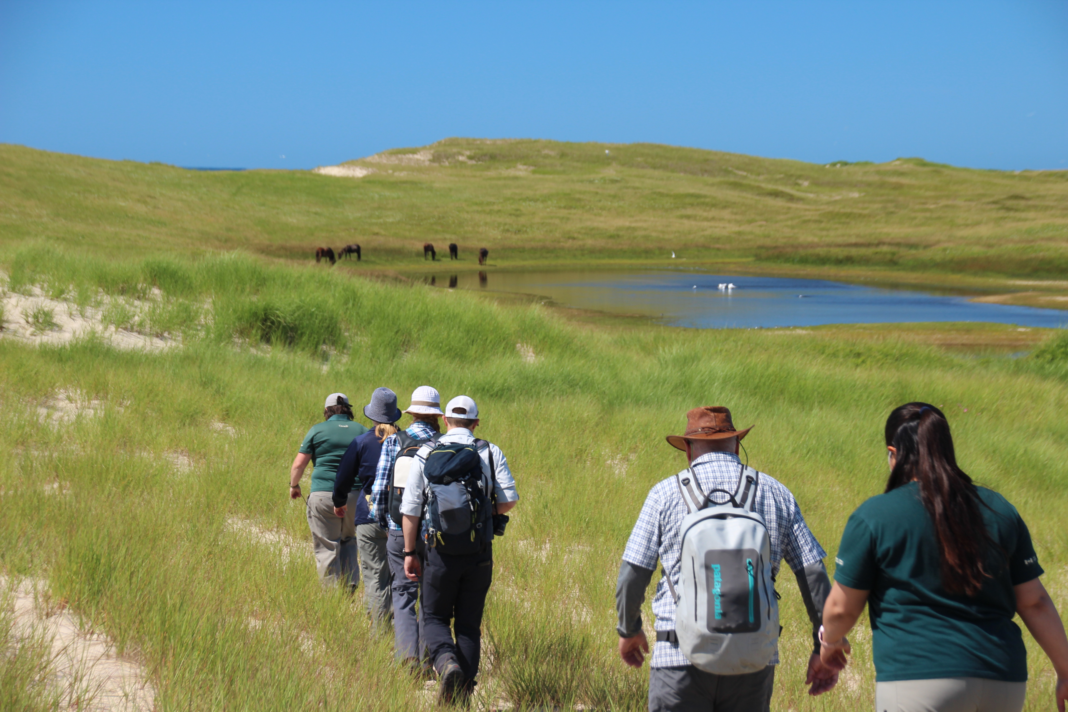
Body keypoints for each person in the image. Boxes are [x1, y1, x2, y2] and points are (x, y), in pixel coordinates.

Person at [820, 403, 1068, 712]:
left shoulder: (875, 516)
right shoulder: (1000, 510)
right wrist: (1065, 670)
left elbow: (841, 609)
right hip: (1003, 681)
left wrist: (830, 642)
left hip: (918, 680)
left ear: (893, 452)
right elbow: (1035, 602)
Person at [616, 406, 841, 712]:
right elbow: (813, 575)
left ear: (688, 451)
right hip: (753, 660)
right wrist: (823, 646)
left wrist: (629, 631)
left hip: (678, 655)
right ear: (736, 445)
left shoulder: (664, 494)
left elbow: (632, 573)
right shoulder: (777, 494)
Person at [401, 395, 519, 704]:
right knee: (468, 624)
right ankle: (463, 695)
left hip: (437, 552)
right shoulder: (489, 451)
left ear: (445, 420)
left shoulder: (427, 452)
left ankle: (446, 664)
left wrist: (409, 553)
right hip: (478, 551)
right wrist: (483, 513)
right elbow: (509, 501)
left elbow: (411, 509)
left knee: (434, 618)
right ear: (476, 423)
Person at [370, 386, 444, 668]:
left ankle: (408, 657)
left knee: (402, 592)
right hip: (436, 532)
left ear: (412, 413)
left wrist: (385, 524)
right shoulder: (443, 443)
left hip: (400, 529)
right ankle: (428, 660)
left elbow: (380, 489)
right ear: (437, 416)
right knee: (430, 595)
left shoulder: (394, 441)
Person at [333, 387, 402, 626]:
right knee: (398, 579)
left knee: (374, 577)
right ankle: (400, 637)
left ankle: (377, 636)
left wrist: (339, 502)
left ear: (372, 415)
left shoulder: (361, 441)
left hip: (368, 514)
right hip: (403, 520)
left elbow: (343, 477)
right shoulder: (408, 442)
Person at [289, 393, 368, 587]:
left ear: (327, 411)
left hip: (323, 495)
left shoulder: (317, 430)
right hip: (354, 497)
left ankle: (331, 598)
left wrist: (294, 485)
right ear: (348, 409)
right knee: (349, 539)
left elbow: (299, 465)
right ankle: (349, 589)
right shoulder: (362, 430)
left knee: (327, 546)